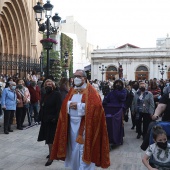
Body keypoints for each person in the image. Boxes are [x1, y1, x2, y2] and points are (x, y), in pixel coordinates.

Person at [50, 69, 110, 170]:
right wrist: (69, 104)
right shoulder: (72, 91)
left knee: (83, 149)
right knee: (73, 148)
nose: (76, 78)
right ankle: (75, 167)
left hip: (85, 125)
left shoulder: (91, 91)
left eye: (79, 76)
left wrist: (79, 106)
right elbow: (64, 104)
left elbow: (97, 107)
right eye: (75, 76)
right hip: (71, 125)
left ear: (84, 78)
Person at [37, 79, 62, 166]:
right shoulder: (45, 94)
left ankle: (52, 157)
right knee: (48, 138)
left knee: (50, 139)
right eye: (47, 84)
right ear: (45, 86)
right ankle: (52, 152)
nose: (49, 86)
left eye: (50, 84)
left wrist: (55, 118)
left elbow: (59, 107)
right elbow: (42, 106)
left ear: (53, 85)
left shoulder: (57, 94)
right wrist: (39, 117)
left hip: (52, 120)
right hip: (45, 120)